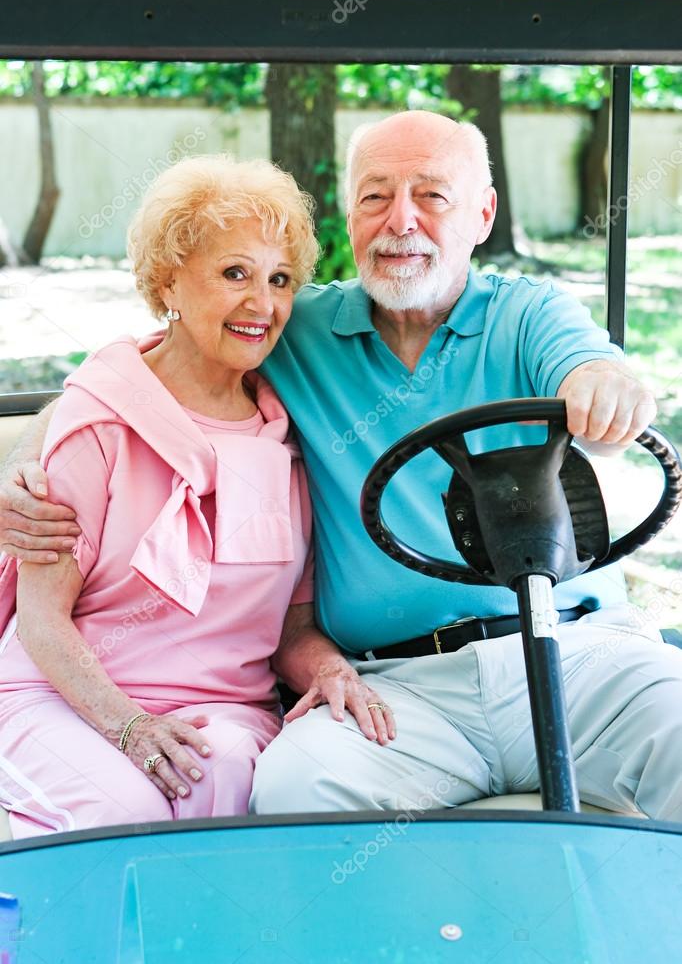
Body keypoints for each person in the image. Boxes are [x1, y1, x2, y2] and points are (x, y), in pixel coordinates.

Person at [3, 112, 681, 821]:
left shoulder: (529, 313)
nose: (402, 221)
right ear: (351, 216)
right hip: (402, 686)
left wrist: (608, 387)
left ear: (483, 213)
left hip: (573, 648)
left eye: (432, 196)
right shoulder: (290, 326)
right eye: (376, 196)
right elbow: (144, 370)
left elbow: (594, 369)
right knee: (297, 786)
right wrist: (21, 461)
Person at [0, 155, 317, 838]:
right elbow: (41, 621)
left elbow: (290, 629)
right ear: (169, 277)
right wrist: (130, 724)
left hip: (221, 706)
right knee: (123, 812)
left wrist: (338, 673)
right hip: (60, 693)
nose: (263, 304)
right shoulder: (98, 421)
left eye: (280, 279)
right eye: (235, 272)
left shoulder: (287, 439)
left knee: (220, 779)